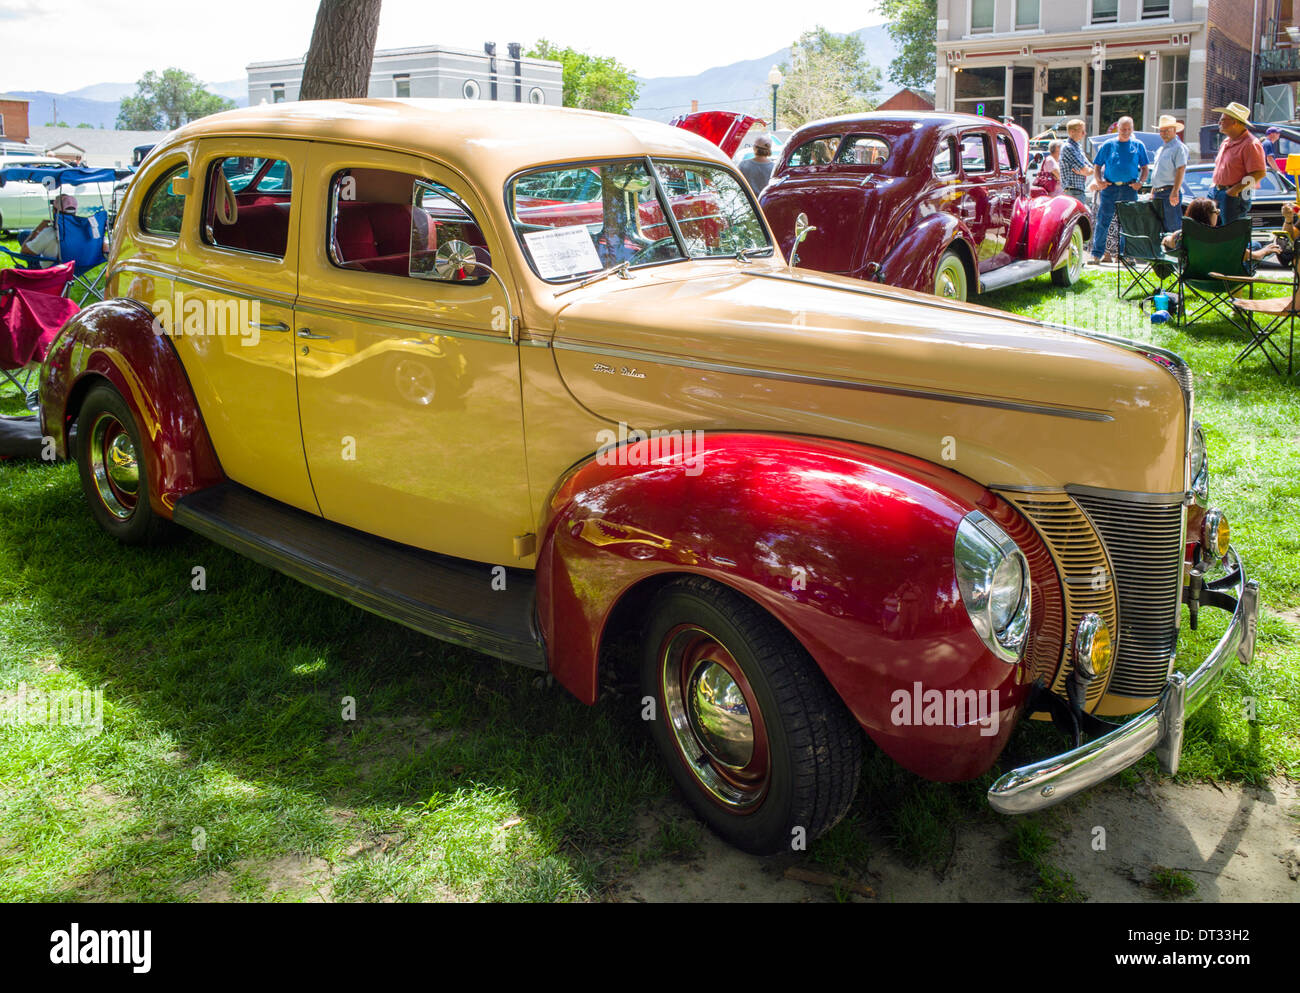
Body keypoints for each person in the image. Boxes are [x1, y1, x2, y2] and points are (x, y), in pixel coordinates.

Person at [1091, 116, 1149, 264]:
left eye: (1129, 129)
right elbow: (1097, 165)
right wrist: (1099, 180)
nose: (1126, 132)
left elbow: (1145, 168)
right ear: (1118, 129)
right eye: (1123, 129)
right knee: (1103, 221)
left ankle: (1126, 255)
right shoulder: (1108, 145)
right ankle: (1096, 255)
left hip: (1129, 188)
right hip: (1110, 188)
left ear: (1132, 129)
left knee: (1128, 222)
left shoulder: (1138, 145)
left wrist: (1140, 182)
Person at [1162, 196, 1282, 263]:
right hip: (1225, 278)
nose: (1218, 214)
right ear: (1208, 215)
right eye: (1216, 212)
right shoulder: (1222, 237)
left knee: (1252, 244)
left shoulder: (1181, 236)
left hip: (1194, 277)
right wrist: (1266, 251)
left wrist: (1169, 238)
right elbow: (1252, 256)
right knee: (1255, 245)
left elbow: (1166, 242)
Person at [1210, 101, 1268, 226]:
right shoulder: (1226, 141)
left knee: (1231, 235)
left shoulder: (1251, 144)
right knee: (1214, 233)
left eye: (1223, 119)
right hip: (1218, 192)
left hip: (1235, 196)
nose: (1219, 122)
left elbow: (1260, 173)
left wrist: (1234, 191)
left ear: (1235, 122)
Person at [1150, 114, 1189, 233]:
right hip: (1158, 193)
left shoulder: (1179, 148)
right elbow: (1158, 172)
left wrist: (1175, 191)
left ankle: (1177, 251)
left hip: (1169, 192)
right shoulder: (1161, 149)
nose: (1163, 133)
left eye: (1167, 130)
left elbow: (1181, 169)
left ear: (1175, 130)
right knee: (1160, 228)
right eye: (1161, 131)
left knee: (1174, 228)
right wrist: (1153, 190)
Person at [19, 194, 78, 263]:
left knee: (23, 235)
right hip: (75, 267)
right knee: (24, 234)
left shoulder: (50, 232)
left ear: (54, 211)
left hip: (51, 270)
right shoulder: (84, 230)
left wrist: (37, 230)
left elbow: (24, 252)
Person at [1059, 118, 1093, 208]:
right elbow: (1084, 169)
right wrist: (1084, 171)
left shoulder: (1078, 147)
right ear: (1071, 132)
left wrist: (1084, 171)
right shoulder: (1068, 147)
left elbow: (1091, 169)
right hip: (1072, 191)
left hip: (1078, 190)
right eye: (1082, 131)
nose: (1084, 134)